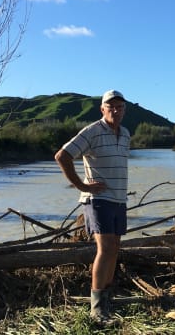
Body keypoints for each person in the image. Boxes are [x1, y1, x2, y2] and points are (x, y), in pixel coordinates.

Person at [54, 89, 130, 324]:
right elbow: (62, 156)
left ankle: (106, 301)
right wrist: (82, 186)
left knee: (114, 249)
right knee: (105, 249)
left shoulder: (125, 133)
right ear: (102, 109)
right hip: (98, 201)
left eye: (120, 107)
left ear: (124, 110)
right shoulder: (93, 131)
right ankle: (97, 312)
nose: (116, 111)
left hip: (119, 200)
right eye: (111, 107)